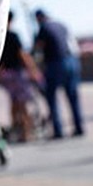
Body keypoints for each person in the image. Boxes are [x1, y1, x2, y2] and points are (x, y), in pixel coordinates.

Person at [33, 8, 84, 139]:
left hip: (56, 63)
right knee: (73, 97)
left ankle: (58, 130)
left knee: (52, 97)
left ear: (39, 18)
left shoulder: (43, 28)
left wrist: (36, 63)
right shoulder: (62, 25)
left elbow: (38, 48)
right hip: (72, 61)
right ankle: (79, 127)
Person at [0, 10, 42, 142]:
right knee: (23, 104)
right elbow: (22, 55)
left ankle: (15, 130)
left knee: (13, 103)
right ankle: (25, 133)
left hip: (6, 74)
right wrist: (33, 70)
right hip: (17, 73)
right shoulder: (14, 36)